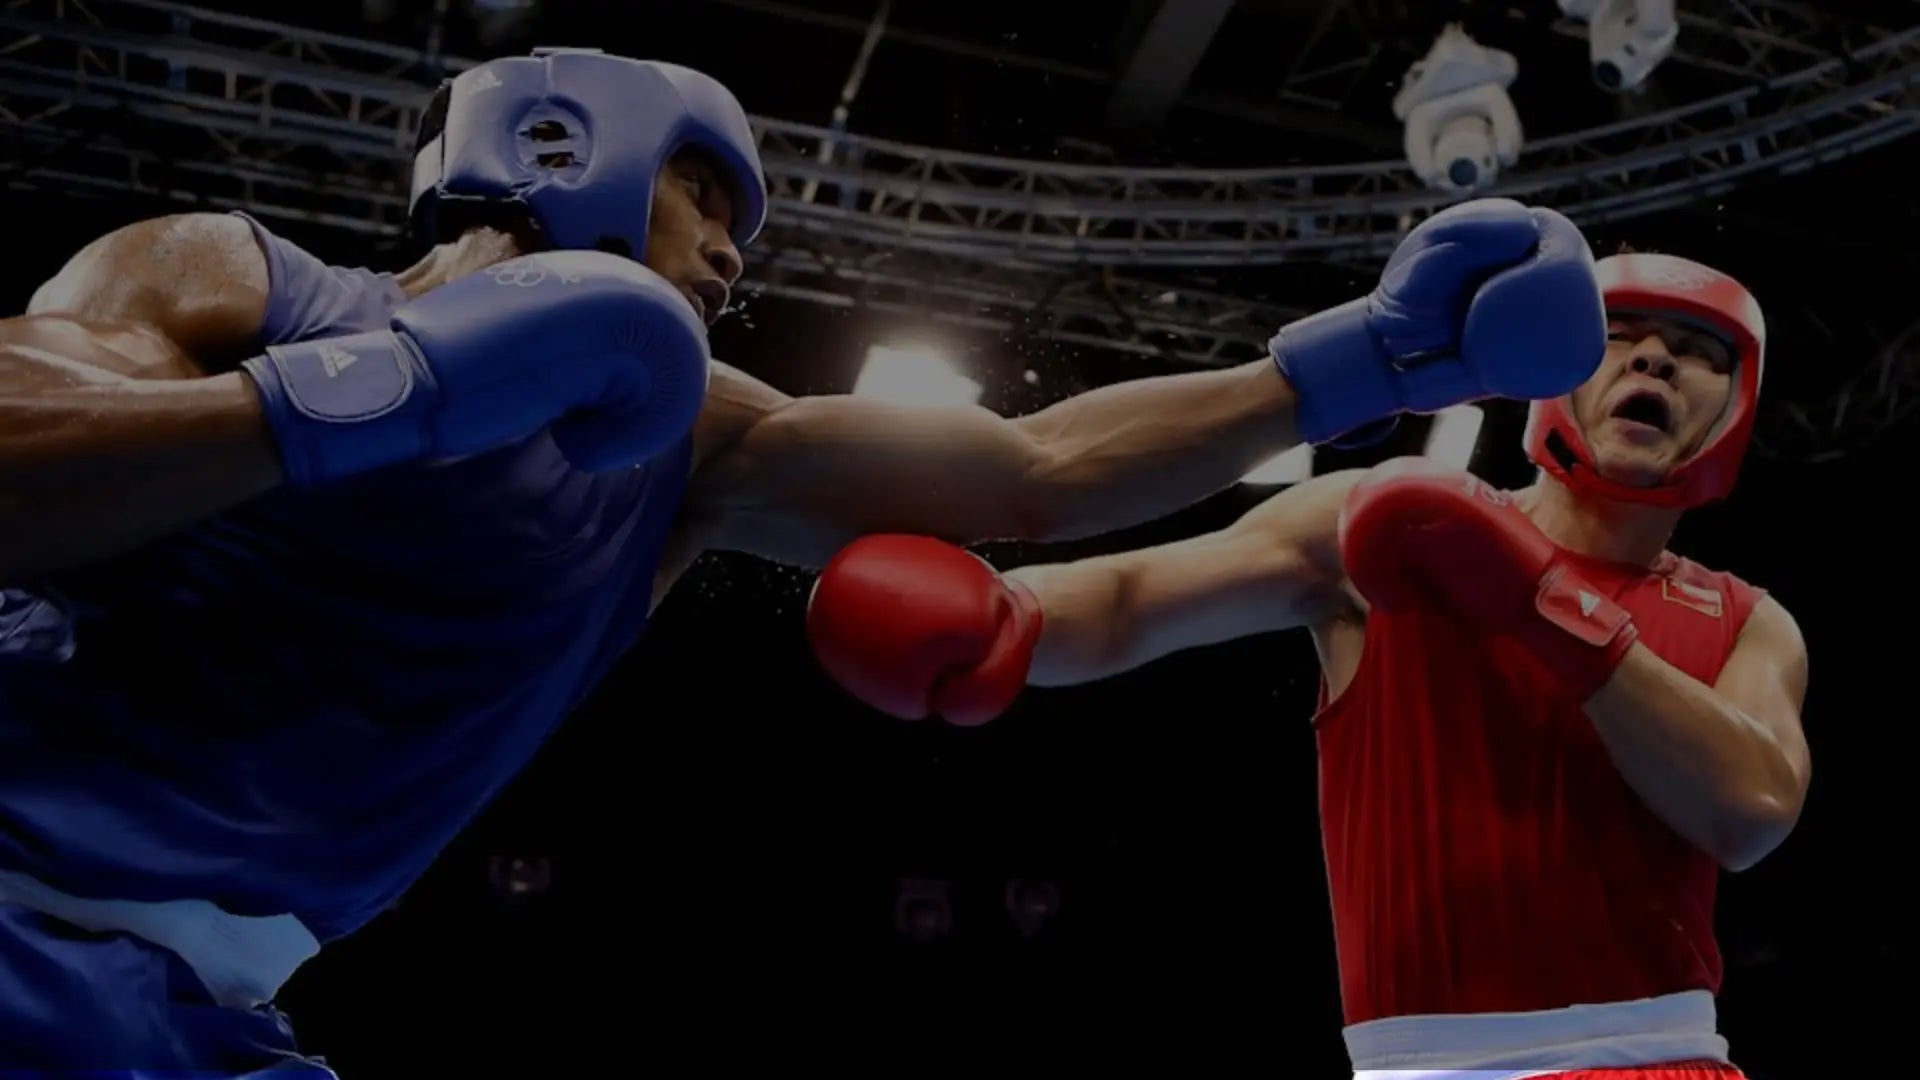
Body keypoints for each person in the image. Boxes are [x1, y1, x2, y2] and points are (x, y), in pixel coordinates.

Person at [0, 46, 1605, 1073]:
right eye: (709, 194)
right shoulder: (243, 283)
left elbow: (1034, 472)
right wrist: (372, 398)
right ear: (574, 144)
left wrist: (1365, 366)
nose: (732, 251)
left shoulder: (688, 447)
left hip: (209, 1019)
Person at [808, 252, 1812, 1079]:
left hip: (1650, 1058)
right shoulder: (1379, 530)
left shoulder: (1746, 620)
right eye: (1623, 342)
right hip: (1405, 1068)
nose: (1657, 363)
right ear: (1560, 377)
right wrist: (1006, 621)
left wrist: (1541, 603)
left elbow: (1751, 808)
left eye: (1694, 354)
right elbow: (1132, 600)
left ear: (1734, 409)